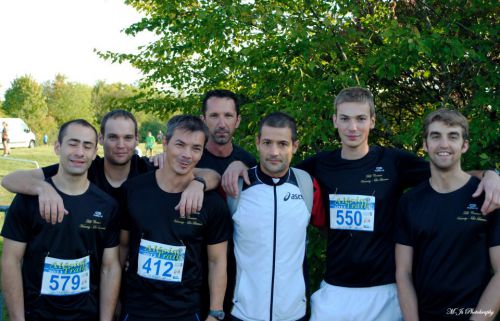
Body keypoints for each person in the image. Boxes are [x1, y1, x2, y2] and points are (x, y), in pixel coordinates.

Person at [222, 87, 500, 321]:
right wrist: (237, 164)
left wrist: (490, 175)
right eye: (345, 118)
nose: (352, 127)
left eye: (360, 119)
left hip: (386, 292)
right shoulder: (319, 165)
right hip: (335, 291)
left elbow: (446, 168)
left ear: (373, 121)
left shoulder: (393, 162)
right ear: (334, 121)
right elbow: (274, 167)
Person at [1, 109, 220, 222]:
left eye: (127, 138)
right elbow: (9, 179)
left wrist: (197, 184)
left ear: (137, 139)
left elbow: (211, 175)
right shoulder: (84, 168)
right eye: (113, 137)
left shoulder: (149, 168)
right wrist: (43, 187)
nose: (121, 145)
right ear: (101, 139)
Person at [1, 119, 121, 321]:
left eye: (87, 146)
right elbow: (11, 260)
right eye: (73, 143)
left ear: (94, 152)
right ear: (58, 147)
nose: (80, 152)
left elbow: (110, 267)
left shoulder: (106, 206)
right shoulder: (28, 200)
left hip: (86, 315)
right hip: (37, 314)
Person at [119, 115, 231, 321]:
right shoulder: (133, 190)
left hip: (186, 311)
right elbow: (121, 249)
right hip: (136, 310)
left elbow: (217, 261)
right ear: (165, 143)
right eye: (180, 145)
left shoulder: (212, 203)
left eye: (196, 148)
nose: (187, 155)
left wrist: (215, 313)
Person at [395, 109, 500, 321]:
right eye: (436, 136)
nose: (444, 144)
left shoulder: (488, 197)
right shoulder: (410, 202)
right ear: (425, 144)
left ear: (464, 145)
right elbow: (403, 273)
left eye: (453, 136)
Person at [228, 112, 324, 321]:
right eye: (267, 143)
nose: (274, 152)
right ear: (257, 143)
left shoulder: (307, 186)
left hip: (293, 313)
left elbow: (336, 233)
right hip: (242, 312)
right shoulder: (236, 186)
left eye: (282, 144)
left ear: (295, 146)